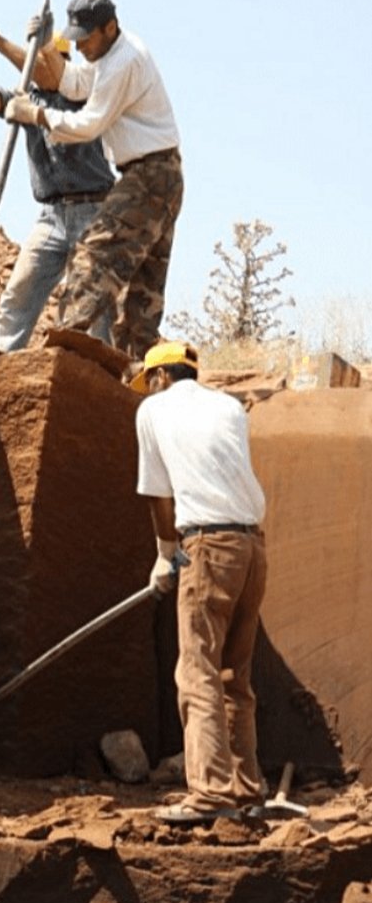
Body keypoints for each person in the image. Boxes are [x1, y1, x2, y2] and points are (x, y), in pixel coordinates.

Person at [3, 0, 183, 362]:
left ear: (110, 27)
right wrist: (49, 47)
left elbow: (90, 123)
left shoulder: (124, 61)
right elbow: (72, 83)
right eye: (76, 39)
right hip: (160, 176)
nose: (81, 46)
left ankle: (63, 352)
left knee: (93, 255)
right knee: (143, 293)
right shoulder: (107, 56)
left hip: (149, 176)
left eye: (87, 38)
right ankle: (136, 376)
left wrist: (36, 114)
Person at [131, 340, 268, 824]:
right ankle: (246, 789)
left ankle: (210, 793)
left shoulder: (153, 409)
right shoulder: (229, 407)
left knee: (197, 672)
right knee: (235, 675)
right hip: (252, 547)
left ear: (159, 377)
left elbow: (157, 494)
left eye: (149, 381)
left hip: (207, 547)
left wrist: (166, 555)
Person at [0, 12, 115, 352]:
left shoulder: (82, 91)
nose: (43, 67)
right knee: (21, 290)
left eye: (51, 60)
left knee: (95, 300)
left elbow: (44, 73)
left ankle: (104, 374)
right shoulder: (27, 100)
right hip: (52, 216)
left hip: (94, 211)